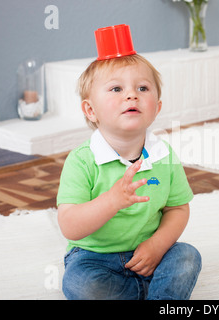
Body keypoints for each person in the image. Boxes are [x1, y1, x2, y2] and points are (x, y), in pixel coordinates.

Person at [56, 25, 201, 300]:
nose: (131, 95)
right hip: (94, 257)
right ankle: (146, 293)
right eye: (116, 89)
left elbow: (178, 209)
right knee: (79, 284)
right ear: (91, 110)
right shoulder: (82, 161)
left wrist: (157, 246)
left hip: (149, 255)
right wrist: (112, 200)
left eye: (142, 88)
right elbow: (70, 226)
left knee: (187, 257)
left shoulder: (164, 155)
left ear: (156, 107)